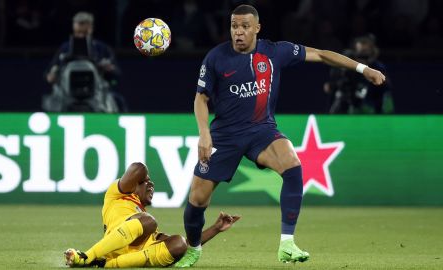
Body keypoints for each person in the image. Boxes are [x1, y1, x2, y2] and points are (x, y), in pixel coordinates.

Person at [175, 4, 385, 267]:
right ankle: (194, 248)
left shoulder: (275, 52)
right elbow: (200, 98)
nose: (238, 32)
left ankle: (287, 243)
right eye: (234, 26)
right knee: (197, 199)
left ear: (257, 28)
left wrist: (363, 69)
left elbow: (320, 55)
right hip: (224, 135)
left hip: (261, 130)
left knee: (293, 165)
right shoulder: (216, 57)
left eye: (244, 27)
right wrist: (204, 134)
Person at [64, 162, 240, 268]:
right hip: (112, 244)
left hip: (128, 257)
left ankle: (103, 265)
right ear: (135, 185)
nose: (151, 185)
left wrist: (216, 228)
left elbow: (187, 244)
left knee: (179, 243)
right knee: (149, 221)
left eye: (152, 184)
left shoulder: (145, 219)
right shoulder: (117, 195)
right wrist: (142, 175)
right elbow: (137, 169)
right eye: (146, 182)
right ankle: (87, 256)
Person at [45, 11, 120, 86]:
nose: (81, 36)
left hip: (97, 91)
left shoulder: (102, 48)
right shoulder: (65, 48)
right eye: (77, 32)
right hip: (67, 91)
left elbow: (116, 76)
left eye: (84, 33)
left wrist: (110, 70)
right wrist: (51, 75)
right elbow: (49, 72)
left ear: (91, 29)